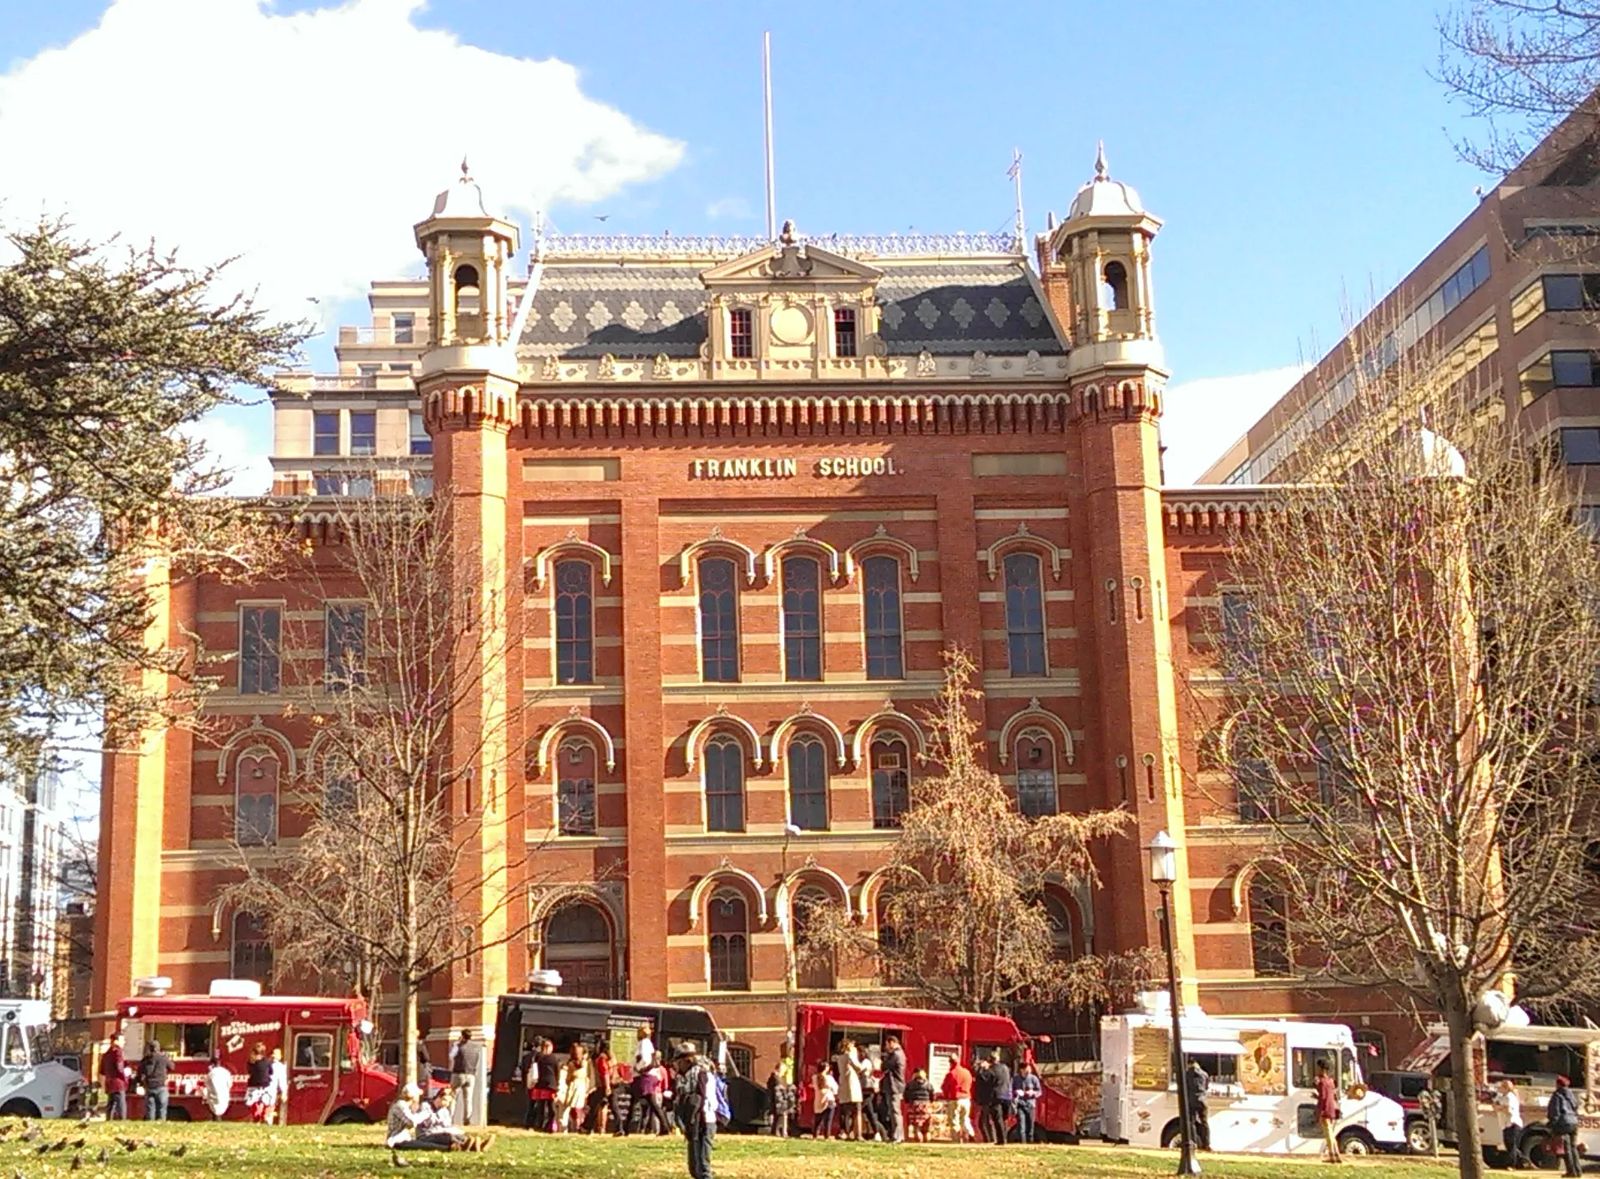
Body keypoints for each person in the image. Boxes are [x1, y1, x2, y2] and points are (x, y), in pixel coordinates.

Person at [672, 1041, 716, 1179]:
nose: (676, 1065)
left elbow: (702, 1098)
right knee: (693, 1167)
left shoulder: (701, 1074)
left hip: (703, 1121)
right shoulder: (682, 1077)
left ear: (686, 1060)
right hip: (691, 1122)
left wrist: (694, 1118)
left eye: (678, 1061)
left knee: (703, 1166)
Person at [387, 1083, 454, 1156]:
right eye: (417, 1094)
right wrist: (426, 1114)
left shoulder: (406, 1106)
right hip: (397, 1140)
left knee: (424, 1144)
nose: (418, 1096)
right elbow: (412, 1122)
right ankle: (449, 1148)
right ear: (412, 1096)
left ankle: (452, 1146)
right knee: (425, 1145)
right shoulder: (400, 1105)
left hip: (406, 1138)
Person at [525, 1037, 560, 1132]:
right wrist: (557, 1085)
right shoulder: (554, 1058)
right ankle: (550, 1125)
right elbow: (557, 1072)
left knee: (540, 1105)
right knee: (551, 1107)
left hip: (540, 1085)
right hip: (551, 1085)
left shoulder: (538, 1057)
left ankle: (538, 1124)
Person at [1549, 1074, 1581, 1177]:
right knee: (1573, 1147)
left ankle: (1571, 1171)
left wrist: (1553, 1124)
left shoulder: (1557, 1095)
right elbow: (1576, 1107)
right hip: (1574, 1122)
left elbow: (1554, 1111)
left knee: (1566, 1148)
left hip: (1564, 1123)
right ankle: (1578, 1171)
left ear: (1558, 1084)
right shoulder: (1571, 1094)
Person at [556, 1043, 593, 1133]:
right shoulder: (569, 1064)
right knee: (571, 1109)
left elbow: (589, 1076)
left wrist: (588, 1089)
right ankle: (573, 1127)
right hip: (571, 1087)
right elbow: (567, 1077)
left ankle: (578, 1126)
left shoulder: (586, 1063)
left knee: (577, 1109)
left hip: (580, 1087)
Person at [834, 1038, 865, 1140]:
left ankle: (845, 1132)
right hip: (852, 1085)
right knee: (857, 1111)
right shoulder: (850, 1055)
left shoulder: (839, 1057)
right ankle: (858, 1134)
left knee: (845, 1111)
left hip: (843, 1084)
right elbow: (858, 1066)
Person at [449, 1028, 482, 1126]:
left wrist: (456, 1044)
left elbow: (451, 1056)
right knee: (468, 1099)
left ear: (462, 1036)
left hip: (459, 1073)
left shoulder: (458, 1046)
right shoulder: (476, 1047)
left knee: (452, 1097)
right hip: (471, 1074)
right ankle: (467, 1120)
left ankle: (450, 1118)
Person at [940, 1053, 975, 1142]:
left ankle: (956, 1140)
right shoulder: (967, 1072)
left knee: (954, 1121)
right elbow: (970, 1084)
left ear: (950, 1062)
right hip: (966, 1099)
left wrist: (945, 1096)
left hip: (955, 1099)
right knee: (965, 1119)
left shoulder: (951, 1074)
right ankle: (970, 1134)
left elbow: (945, 1087)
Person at [1314, 1058, 1342, 1165]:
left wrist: (1320, 1111)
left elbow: (1323, 1098)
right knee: (1331, 1133)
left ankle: (1332, 1155)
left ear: (1322, 1069)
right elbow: (1330, 1096)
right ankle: (1336, 1154)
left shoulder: (1322, 1082)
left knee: (1328, 1133)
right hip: (1332, 1109)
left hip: (1325, 1109)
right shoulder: (1331, 1081)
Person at [631, 1050, 667, 1135]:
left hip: (651, 1090)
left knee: (649, 1111)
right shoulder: (660, 1069)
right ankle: (649, 1129)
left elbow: (662, 1082)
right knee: (651, 1111)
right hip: (654, 1091)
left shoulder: (654, 1068)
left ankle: (649, 1129)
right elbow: (663, 1082)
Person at [136, 1039, 171, 1122]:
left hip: (149, 1086)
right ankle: (161, 1123)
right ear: (158, 1048)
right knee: (162, 1108)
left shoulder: (145, 1060)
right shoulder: (163, 1058)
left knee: (150, 1108)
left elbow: (139, 1072)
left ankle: (150, 1123)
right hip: (161, 1086)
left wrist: (141, 1082)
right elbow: (172, 1067)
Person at [881, 1035, 906, 1143]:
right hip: (894, 1086)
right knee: (893, 1111)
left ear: (892, 1043)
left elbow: (885, 1066)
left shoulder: (896, 1054)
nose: (886, 1047)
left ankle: (898, 1135)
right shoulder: (899, 1054)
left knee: (895, 1111)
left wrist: (885, 1058)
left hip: (894, 1086)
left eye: (887, 1044)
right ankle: (898, 1134)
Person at [768, 1044, 796, 1138]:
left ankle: (782, 1131)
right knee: (780, 1114)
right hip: (783, 1090)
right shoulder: (784, 1063)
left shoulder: (794, 1062)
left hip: (786, 1088)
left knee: (784, 1114)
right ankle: (779, 1131)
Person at [1494, 1078, 1523, 1168]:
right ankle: (1523, 1160)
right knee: (1507, 1144)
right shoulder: (1501, 1096)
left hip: (1513, 1123)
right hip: (1505, 1124)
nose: (1499, 1088)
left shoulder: (1510, 1097)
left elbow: (1508, 1110)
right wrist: (1500, 1107)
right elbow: (1495, 1105)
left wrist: (1500, 1108)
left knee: (1511, 1144)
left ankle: (1511, 1164)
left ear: (1506, 1088)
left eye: (1501, 1087)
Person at [986, 1051, 1013, 1146]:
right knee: (1004, 1119)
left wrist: (982, 1068)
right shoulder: (1005, 1068)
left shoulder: (991, 1070)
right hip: (1006, 1096)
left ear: (990, 1060)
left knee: (998, 1119)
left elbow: (986, 1081)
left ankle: (1001, 1140)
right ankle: (1005, 1137)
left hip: (996, 1096)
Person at [101, 1033, 129, 1121]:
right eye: (122, 1040)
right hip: (118, 1082)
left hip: (109, 1082)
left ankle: (108, 1120)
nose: (124, 1042)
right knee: (121, 1104)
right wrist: (126, 1074)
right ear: (116, 1041)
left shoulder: (106, 1053)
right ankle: (122, 1120)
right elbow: (119, 1067)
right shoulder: (118, 1052)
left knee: (111, 1104)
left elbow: (102, 1070)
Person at [1185, 1058, 1212, 1152]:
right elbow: (1206, 1087)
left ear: (1190, 1064)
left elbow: (1184, 1086)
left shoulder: (1187, 1074)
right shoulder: (1205, 1074)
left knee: (1191, 1122)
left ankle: (1193, 1142)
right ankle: (1207, 1144)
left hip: (1191, 1100)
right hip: (1203, 1100)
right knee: (1204, 1122)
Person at [244, 1042, 274, 1123]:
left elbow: (250, 1072)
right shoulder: (267, 1062)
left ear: (253, 1052)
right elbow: (271, 1072)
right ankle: (264, 1116)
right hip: (266, 1086)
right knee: (265, 1102)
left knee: (253, 1103)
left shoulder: (251, 1063)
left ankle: (256, 1117)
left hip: (253, 1086)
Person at [1013, 1061, 1042, 1145]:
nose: (1028, 1070)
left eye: (1029, 1068)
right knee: (1021, 1126)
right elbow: (1011, 1091)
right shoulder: (1015, 1079)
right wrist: (1016, 1092)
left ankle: (1030, 1143)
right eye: (1026, 1068)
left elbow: (1039, 1091)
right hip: (1020, 1104)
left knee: (1030, 1126)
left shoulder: (1034, 1078)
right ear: (1021, 1070)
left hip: (1031, 1104)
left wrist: (1033, 1093)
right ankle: (1022, 1144)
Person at [902, 1067, 934, 1144]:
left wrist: (908, 1101)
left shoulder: (910, 1084)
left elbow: (906, 1095)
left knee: (917, 1126)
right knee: (926, 1126)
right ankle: (927, 1139)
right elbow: (932, 1095)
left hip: (914, 1106)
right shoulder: (928, 1084)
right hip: (926, 1106)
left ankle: (918, 1139)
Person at [811, 1059, 839, 1139]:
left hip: (818, 1100)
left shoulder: (814, 1077)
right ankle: (827, 1135)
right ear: (826, 1068)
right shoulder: (829, 1078)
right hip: (829, 1100)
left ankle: (815, 1135)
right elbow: (835, 1089)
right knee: (828, 1120)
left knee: (818, 1119)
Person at [592, 1048, 615, 1135]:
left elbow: (604, 1073)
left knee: (601, 1106)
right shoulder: (612, 1060)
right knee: (604, 1106)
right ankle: (602, 1127)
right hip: (610, 1084)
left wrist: (607, 1086)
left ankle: (601, 1127)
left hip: (602, 1085)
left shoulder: (601, 1059)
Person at [204, 1054, 232, 1120]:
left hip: (214, 1096)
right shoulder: (226, 1072)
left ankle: (215, 1117)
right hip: (224, 1095)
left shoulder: (211, 1073)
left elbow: (206, 1083)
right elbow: (230, 1084)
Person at [269, 1046, 289, 1125]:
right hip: (267, 1090)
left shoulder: (280, 1067)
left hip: (270, 1090)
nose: (274, 1056)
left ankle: (268, 1124)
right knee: (268, 1109)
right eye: (274, 1054)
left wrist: (284, 1092)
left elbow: (282, 1081)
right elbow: (282, 1081)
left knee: (269, 1109)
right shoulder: (277, 1066)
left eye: (276, 1054)